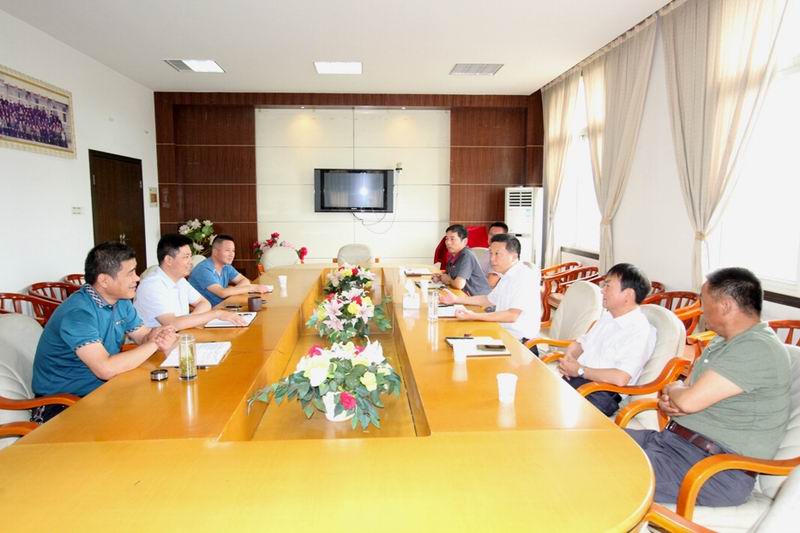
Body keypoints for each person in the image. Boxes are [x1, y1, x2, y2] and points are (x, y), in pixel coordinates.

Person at [626, 267, 791, 507]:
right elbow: (684, 394)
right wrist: (676, 397)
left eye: (704, 301)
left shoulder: (757, 347)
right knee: (591, 442)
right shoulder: (722, 341)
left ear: (725, 306)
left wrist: (676, 391)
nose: (701, 310)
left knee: (604, 471)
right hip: (673, 444)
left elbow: (686, 399)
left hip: (711, 470)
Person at [31, 242, 177, 422]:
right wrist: (154, 342)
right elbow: (105, 369)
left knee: (164, 405)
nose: (137, 278)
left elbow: (142, 336)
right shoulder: (78, 314)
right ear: (104, 280)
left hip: (103, 391)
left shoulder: (121, 301)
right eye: (130, 273)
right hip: (63, 404)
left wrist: (157, 334)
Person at [556, 263, 656, 416]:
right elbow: (581, 344)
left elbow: (621, 378)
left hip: (599, 392)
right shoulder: (608, 316)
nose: (602, 290)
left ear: (628, 294)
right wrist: (569, 358)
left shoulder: (640, 331)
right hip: (578, 380)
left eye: (608, 286)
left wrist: (580, 371)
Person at [439, 233, 540, 341]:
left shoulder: (524, 276)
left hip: (518, 342)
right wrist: (456, 299)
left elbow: (512, 315)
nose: (492, 259)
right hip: (501, 332)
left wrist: (474, 316)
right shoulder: (506, 275)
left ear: (513, 256)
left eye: (497, 254)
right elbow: (488, 299)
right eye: (491, 253)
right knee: (454, 334)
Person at [135, 234, 245, 329]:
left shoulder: (180, 280)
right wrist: (216, 314)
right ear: (169, 260)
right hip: (156, 344)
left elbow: (204, 303)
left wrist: (189, 321)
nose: (190, 262)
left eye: (190, 257)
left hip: (180, 336)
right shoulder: (152, 285)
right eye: (186, 257)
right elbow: (172, 324)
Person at [188, 234, 270, 307]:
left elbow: (244, 280)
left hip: (223, 306)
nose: (231, 254)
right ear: (215, 251)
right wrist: (252, 288)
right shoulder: (203, 269)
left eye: (233, 251)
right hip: (208, 312)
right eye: (227, 250)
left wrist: (231, 291)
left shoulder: (226, 266)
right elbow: (222, 293)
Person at [432, 224, 491, 296]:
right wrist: (440, 277)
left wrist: (448, 280)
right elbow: (448, 274)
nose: (448, 242)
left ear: (464, 241)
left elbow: (459, 284)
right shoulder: (453, 256)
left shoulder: (467, 255)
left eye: (452, 239)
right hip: (465, 296)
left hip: (480, 299)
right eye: (447, 239)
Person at [482, 222, 508, 288]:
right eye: (491, 234)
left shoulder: (501, 256)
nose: (493, 238)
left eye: (497, 235)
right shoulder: (488, 252)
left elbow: (491, 283)